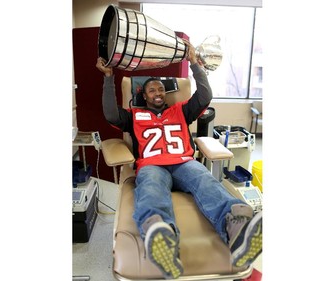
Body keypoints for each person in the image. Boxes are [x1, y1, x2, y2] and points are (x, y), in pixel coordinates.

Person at [96, 39, 262, 280]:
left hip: (184, 162)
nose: (158, 93)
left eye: (161, 90)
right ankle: (160, 236)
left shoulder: (181, 110)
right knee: (151, 189)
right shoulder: (134, 114)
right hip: (152, 165)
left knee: (206, 181)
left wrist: (194, 64)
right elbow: (110, 113)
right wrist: (108, 77)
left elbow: (204, 96)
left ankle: (237, 226)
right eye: (152, 89)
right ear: (144, 94)